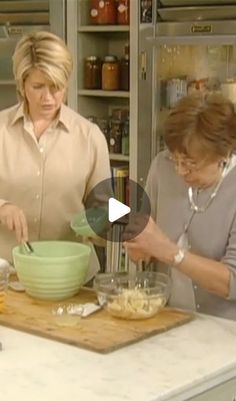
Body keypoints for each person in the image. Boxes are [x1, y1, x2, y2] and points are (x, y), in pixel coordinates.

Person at [0, 31, 112, 279]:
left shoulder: (90, 137)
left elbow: (103, 211)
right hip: (8, 277)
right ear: (22, 84)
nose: (48, 98)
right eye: (38, 86)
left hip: (72, 276)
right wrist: (2, 207)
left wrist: (106, 224)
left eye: (56, 87)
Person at [124, 93, 236, 320]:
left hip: (224, 331)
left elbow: (231, 283)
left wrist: (170, 252)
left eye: (191, 163)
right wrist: (140, 250)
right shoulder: (161, 167)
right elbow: (147, 244)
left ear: (223, 154)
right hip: (165, 317)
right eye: (176, 159)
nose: (180, 171)